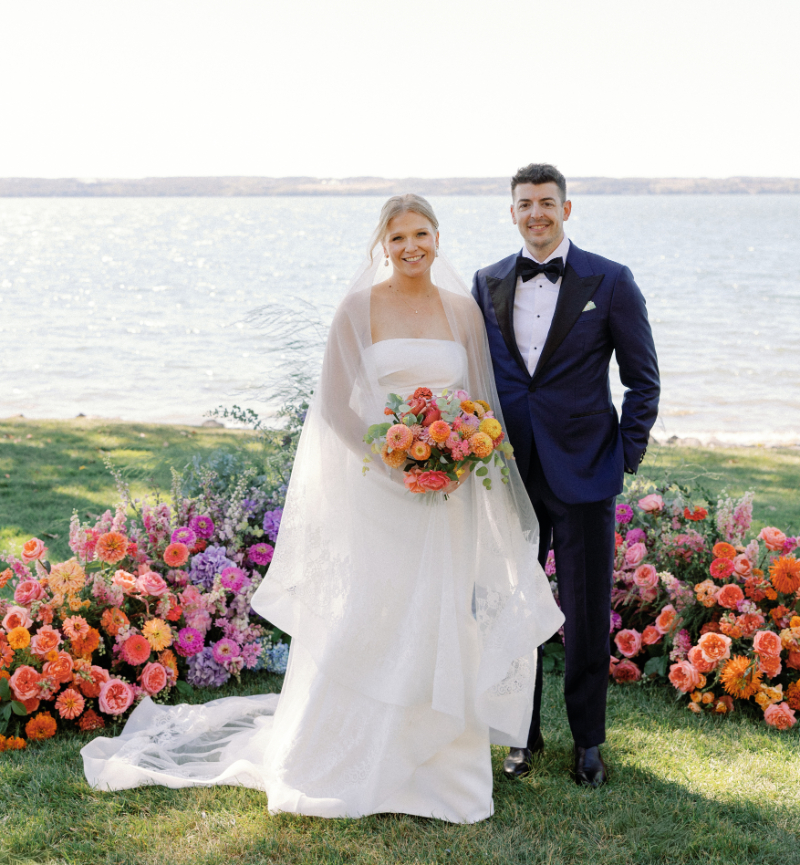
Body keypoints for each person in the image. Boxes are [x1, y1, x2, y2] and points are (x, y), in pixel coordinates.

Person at [82, 194, 563, 821]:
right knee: (375, 610)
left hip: (449, 494)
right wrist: (397, 459)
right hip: (382, 490)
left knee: (443, 610)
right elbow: (336, 404)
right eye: (398, 238)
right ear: (381, 245)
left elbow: (480, 400)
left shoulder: (463, 311)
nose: (411, 246)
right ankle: (348, 756)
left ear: (438, 238)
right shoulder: (357, 309)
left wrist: (453, 459)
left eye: (422, 233)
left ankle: (443, 770)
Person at [472, 164, 660, 787]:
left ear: (567, 208)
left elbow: (642, 381)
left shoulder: (610, 280)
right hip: (509, 475)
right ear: (512, 212)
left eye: (547, 203)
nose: (536, 214)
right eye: (525, 204)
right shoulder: (487, 281)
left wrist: (622, 456)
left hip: (585, 474)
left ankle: (587, 743)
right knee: (511, 608)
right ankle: (519, 737)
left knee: (584, 615)